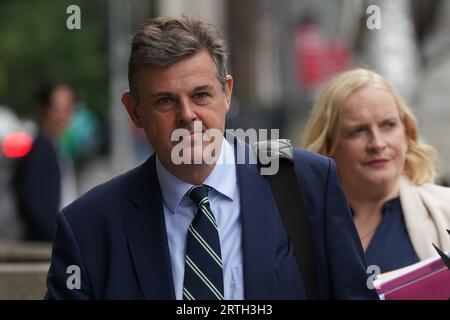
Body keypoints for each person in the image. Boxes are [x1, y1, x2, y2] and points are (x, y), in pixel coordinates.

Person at [45, 16, 377, 300]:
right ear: (135, 111)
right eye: (164, 101)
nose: (188, 116)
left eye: (201, 95)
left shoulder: (308, 183)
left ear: (227, 93)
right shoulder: (88, 227)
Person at [303, 68, 450, 274]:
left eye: (388, 125)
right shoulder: (300, 227)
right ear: (328, 146)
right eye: (358, 131)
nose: (377, 143)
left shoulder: (445, 211)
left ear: (407, 133)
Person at [14, 82, 78, 241]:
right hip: (45, 244)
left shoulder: (54, 147)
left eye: (68, 109)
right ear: (43, 109)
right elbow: (34, 205)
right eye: (57, 110)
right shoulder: (41, 150)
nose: (63, 116)